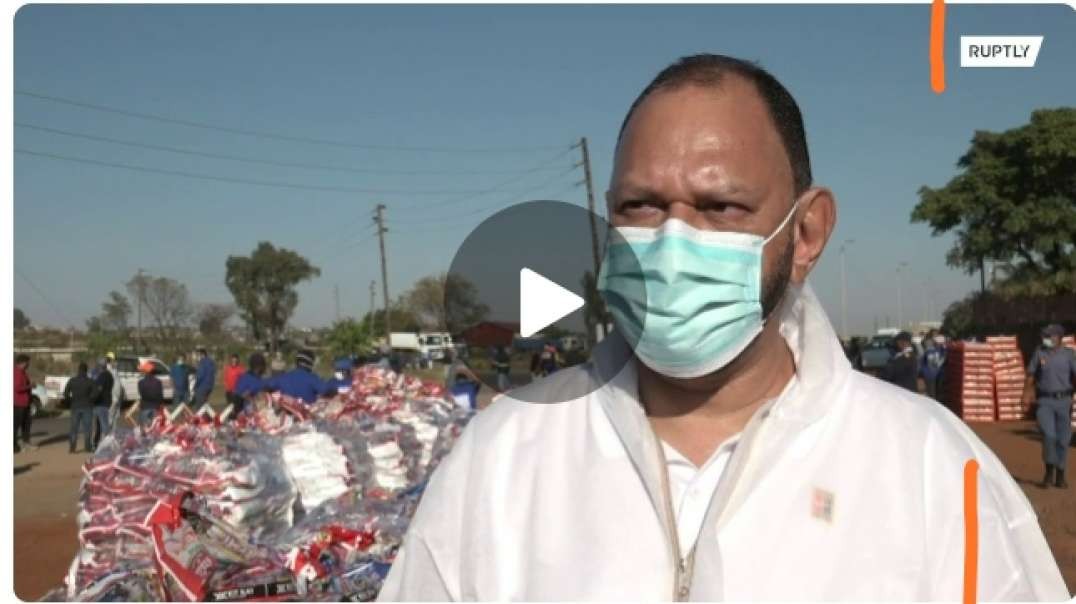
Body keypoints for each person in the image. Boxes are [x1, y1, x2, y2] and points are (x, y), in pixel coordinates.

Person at [378, 54, 1067, 600]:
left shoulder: (932, 468)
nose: (674, 240)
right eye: (642, 206)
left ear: (806, 234)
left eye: (721, 207)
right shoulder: (504, 458)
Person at [1024, 324, 1076, 490]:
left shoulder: (1069, 355)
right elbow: (1031, 374)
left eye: (1049, 335)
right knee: (1049, 436)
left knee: (1063, 439)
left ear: (1059, 337)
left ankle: (1060, 474)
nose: (1045, 339)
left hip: (1064, 401)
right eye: (1044, 335)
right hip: (1045, 401)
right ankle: (1048, 472)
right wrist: (1026, 392)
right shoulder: (1039, 353)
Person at [64, 362, 100, 454]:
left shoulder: (72, 380)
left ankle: (72, 448)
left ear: (78, 370)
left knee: (74, 428)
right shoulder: (90, 381)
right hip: (87, 406)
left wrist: (70, 401)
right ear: (86, 370)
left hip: (75, 406)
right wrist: (91, 399)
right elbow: (96, 393)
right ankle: (87, 447)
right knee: (87, 428)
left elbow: (65, 393)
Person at [13, 353, 35, 453]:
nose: (28, 365)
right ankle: (15, 447)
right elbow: (17, 388)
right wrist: (29, 386)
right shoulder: (17, 373)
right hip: (18, 403)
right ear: (23, 362)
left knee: (26, 424)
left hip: (25, 402)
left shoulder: (23, 372)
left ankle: (26, 443)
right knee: (15, 425)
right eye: (27, 362)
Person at [92, 358, 114, 449]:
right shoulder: (110, 375)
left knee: (104, 425)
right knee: (99, 425)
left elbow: (99, 389)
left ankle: (110, 445)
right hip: (106, 401)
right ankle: (96, 443)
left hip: (101, 403)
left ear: (100, 366)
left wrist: (92, 399)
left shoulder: (102, 376)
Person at [918, 330, 947, 401]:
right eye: (934, 336)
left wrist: (943, 347)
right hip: (930, 374)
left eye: (937, 335)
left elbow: (944, 358)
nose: (936, 337)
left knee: (939, 394)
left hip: (939, 374)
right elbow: (927, 361)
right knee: (932, 395)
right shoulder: (929, 347)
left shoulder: (942, 348)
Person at [137, 361, 165, 426]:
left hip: (145, 406)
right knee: (155, 429)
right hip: (155, 407)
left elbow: (141, 394)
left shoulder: (141, 382)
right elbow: (160, 395)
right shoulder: (158, 382)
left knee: (145, 429)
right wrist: (161, 404)